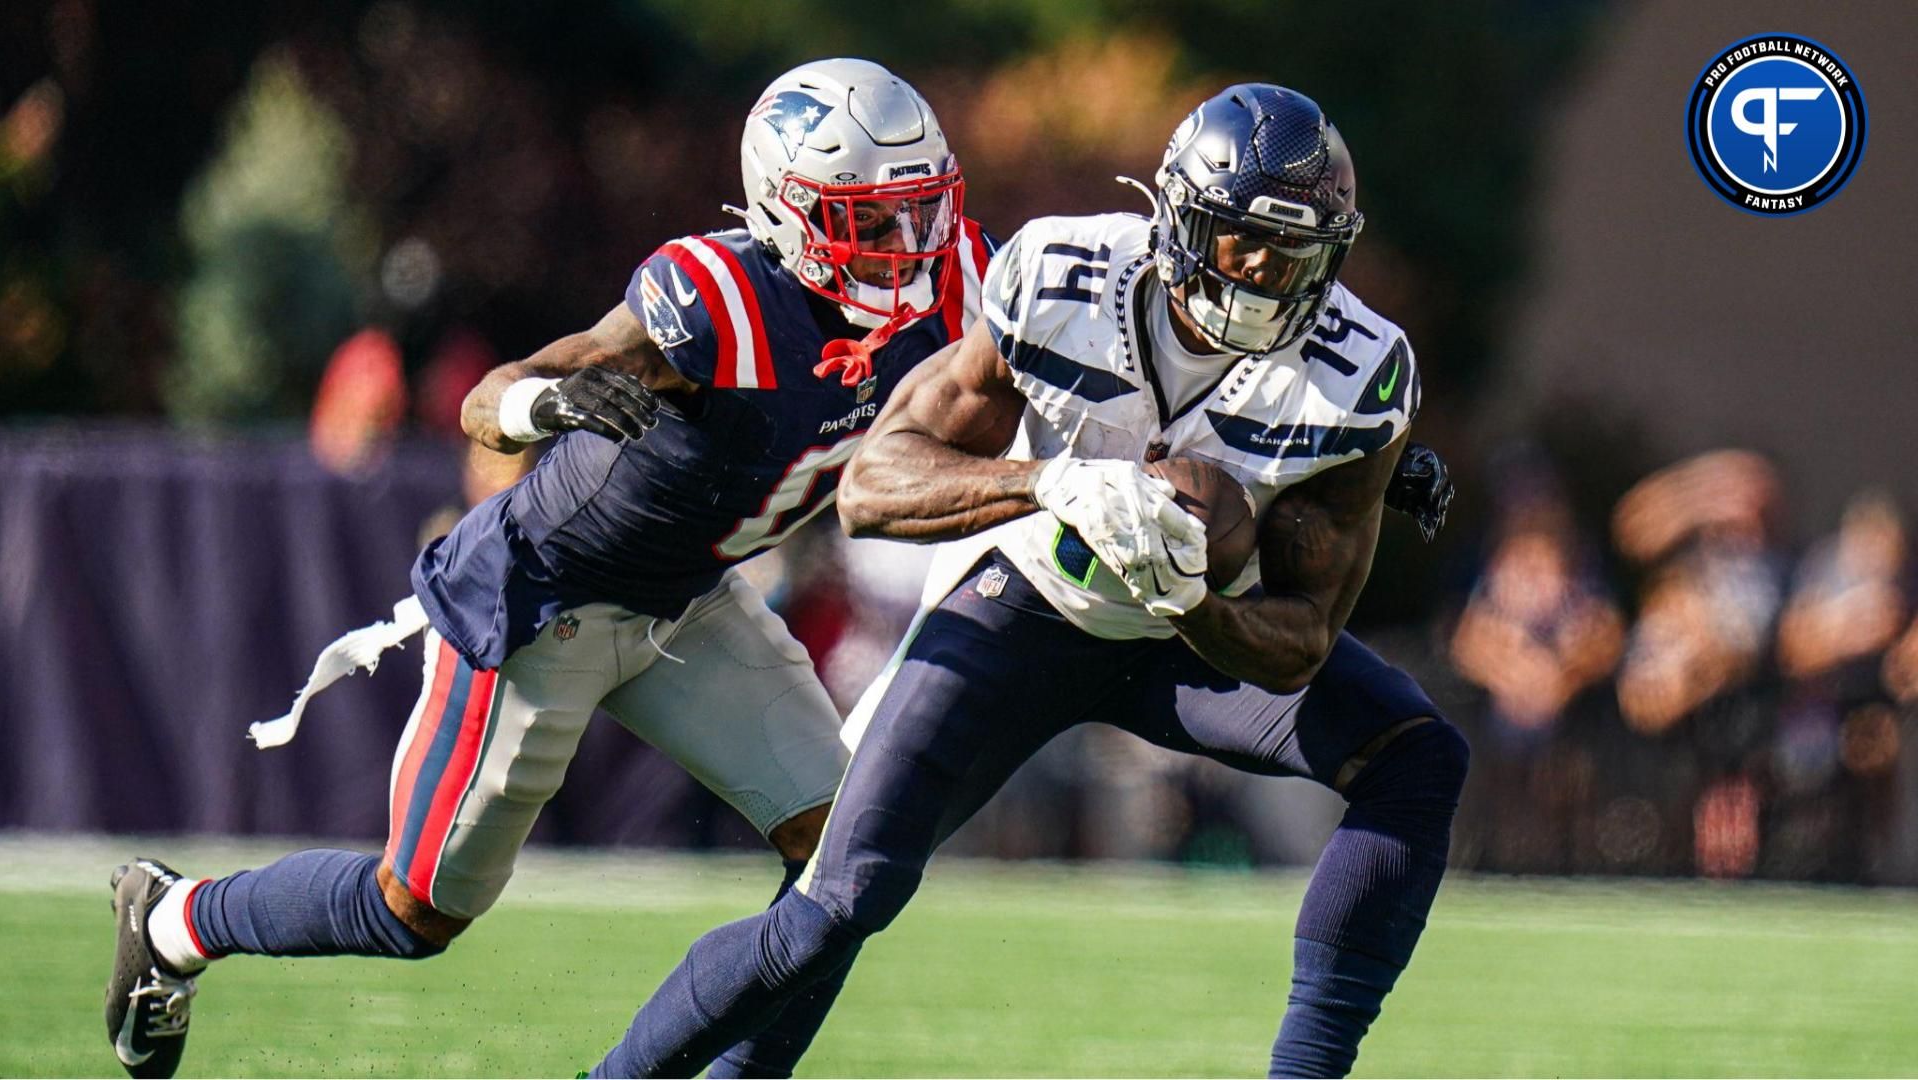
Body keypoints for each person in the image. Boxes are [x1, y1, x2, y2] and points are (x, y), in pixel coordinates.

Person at [103, 57, 992, 1080]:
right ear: (787, 215)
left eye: (919, 212)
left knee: (848, 861)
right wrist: (545, 407)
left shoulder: (961, 274)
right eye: (869, 222)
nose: (907, 249)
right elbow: (500, 392)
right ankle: (173, 920)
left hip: (686, 604)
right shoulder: (716, 298)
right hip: (543, 603)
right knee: (417, 911)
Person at [588, 84, 1463, 1080]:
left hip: (1190, 641)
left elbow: (1303, 637)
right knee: (839, 894)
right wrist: (1054, 481)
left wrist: (1191, 599)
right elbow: (873, 487)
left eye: (1295, 253)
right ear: (1177, 218)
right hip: (1028, 603)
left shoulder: (1358, 372)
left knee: (1417, 756)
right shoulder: (1064, 277)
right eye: (1242, 242)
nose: (1266, 275)